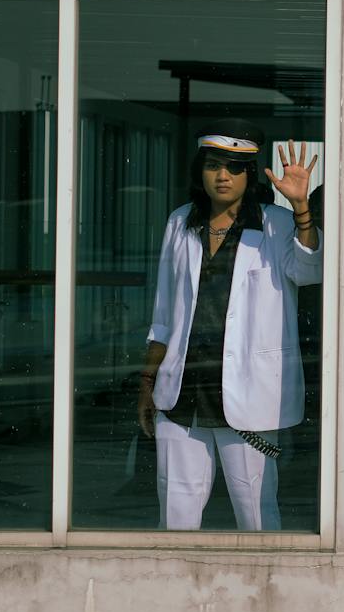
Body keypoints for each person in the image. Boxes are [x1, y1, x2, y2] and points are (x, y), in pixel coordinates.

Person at [137, 120, 321, 531]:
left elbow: (310, 270)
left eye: (235, 168)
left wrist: (302, 208)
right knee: (176, 514)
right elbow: (164, 312)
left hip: (249, 394)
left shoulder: (275, 223)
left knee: (256, 513)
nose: (223, 176)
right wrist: (148, 382)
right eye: (214, 165)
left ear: (249, 174)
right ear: (199, 170)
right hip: (183, 390)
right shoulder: (181, 222)